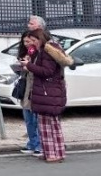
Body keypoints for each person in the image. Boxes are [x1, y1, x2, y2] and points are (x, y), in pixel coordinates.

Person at [21, 28, 67, 163]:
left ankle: (55, 153)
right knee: (46, 126)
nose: (32, 43)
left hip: (49, 92)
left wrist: (29, 66)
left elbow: (48, 71)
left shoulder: (48, 51)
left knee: (51, 126)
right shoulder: (41, 51)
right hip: (45, 92)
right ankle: (50, 152)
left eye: (34, 40)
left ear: (41, 39)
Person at [16, 31, 42, 158]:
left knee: (36, 118)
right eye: (25, 42)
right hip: (26, 88)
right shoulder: (27, 53)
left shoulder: (40, 53)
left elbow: (44, 70)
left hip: (36, 88)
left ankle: (39, 145)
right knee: (28, 118)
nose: (27, 44)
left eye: (29, 41)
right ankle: (32, 143)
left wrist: (29, 66)